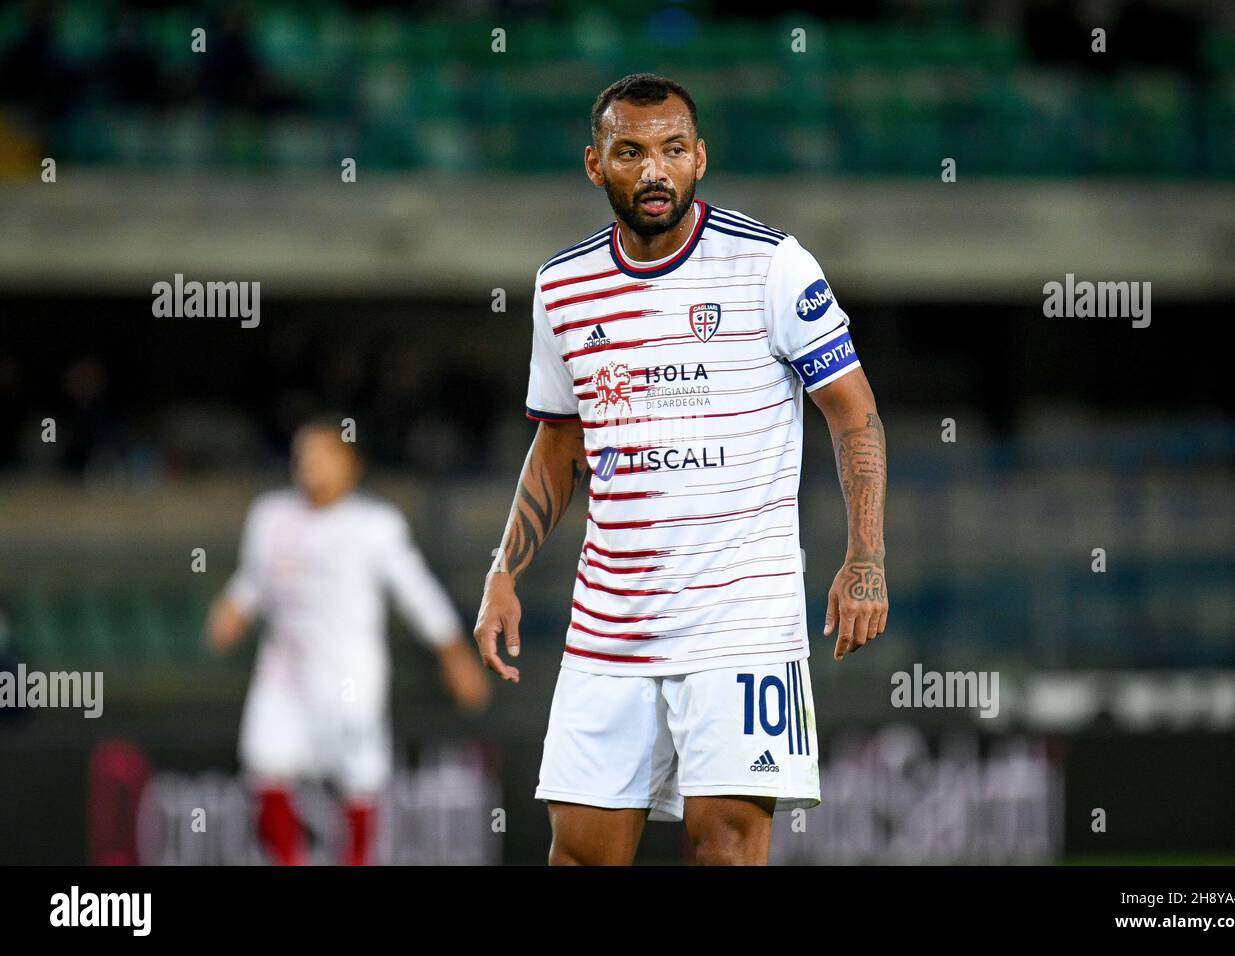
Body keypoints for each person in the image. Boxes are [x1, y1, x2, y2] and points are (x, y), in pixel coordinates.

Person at [474, 73, 888, 865]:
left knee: (727, 848)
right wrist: (504, 571)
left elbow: (854, 411)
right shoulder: (561, 287)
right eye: (630, 151)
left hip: (742, 622)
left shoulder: (770, 266)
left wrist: (865, 558)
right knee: (581, 854)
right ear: (596, 166)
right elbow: (560, 442)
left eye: (671, 150)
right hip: (608, 627)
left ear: (700, 158)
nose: (653, 170)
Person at [206, 418, 489, 865]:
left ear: (351, 465)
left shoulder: (374, 525)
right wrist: (232, 609)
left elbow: (416, 591)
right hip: (285, 670)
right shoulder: (271, 515)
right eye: (303, 454)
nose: (310, 464)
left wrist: (454, 654)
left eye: (323, 454)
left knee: (359, 778)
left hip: (349, 675)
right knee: (265, 763)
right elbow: (254, 579)